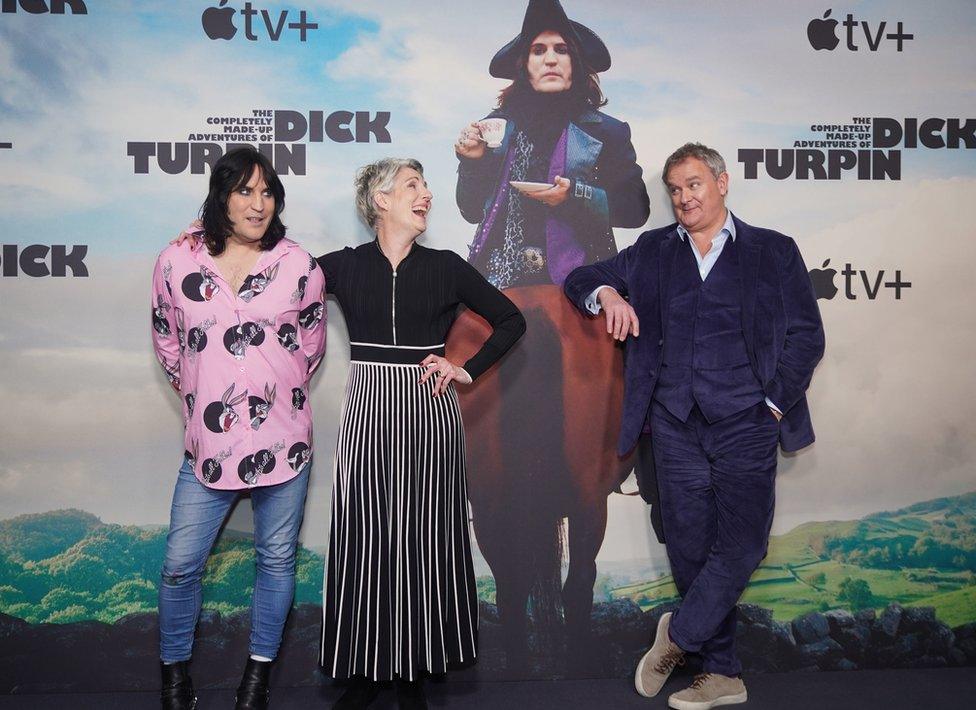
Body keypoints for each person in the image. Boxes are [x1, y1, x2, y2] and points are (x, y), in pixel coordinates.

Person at [564, 143, 825, 709]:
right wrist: (608, 293)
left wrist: (774, 406)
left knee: (744, 544)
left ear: (723, 183)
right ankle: (723, 673)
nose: (684, 197)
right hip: (674, 424)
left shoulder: (773, 251)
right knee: (689, 548)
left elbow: (807, 335)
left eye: (694, 185)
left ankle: (677, 636)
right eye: (676, 189)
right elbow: (580, 277)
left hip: (747, 423)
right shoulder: (652, 250)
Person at [318, 158, 526, 709]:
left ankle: (412, 671)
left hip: (428, 414)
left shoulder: (447, 267)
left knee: (425, 540)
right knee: (364, 539)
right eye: (413, 185)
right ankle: (364, 672)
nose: (427, 195)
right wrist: (204, 241)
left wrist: (466, 369)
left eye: (426, 185)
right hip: (366, 409)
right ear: (380, 200)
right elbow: (270, 279)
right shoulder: (340, 266)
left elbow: (511, 321)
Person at [150, 149, 326, 710]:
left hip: (284, 442)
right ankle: (174, 678)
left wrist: (271, 389)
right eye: (245, 191)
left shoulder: (299, 265)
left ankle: (258, 678)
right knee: (180, 566)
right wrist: (208, 392)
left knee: (275, 563)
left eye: (268, 192)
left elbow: (310, 348)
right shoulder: (177, 262)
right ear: (220, 195)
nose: (258, 203)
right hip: (209, 446)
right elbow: (168, 341)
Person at [454, 0, 649, 290]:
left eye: (562, 49)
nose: (550, 59)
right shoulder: (495, 129)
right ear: (525, 65)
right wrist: (472, 163)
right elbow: (470, 210)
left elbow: (636, 210)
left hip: (581, 288)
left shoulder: (609, 132)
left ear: (576, 63)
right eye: (538, 50)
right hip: (498, 287)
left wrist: (574, 196)